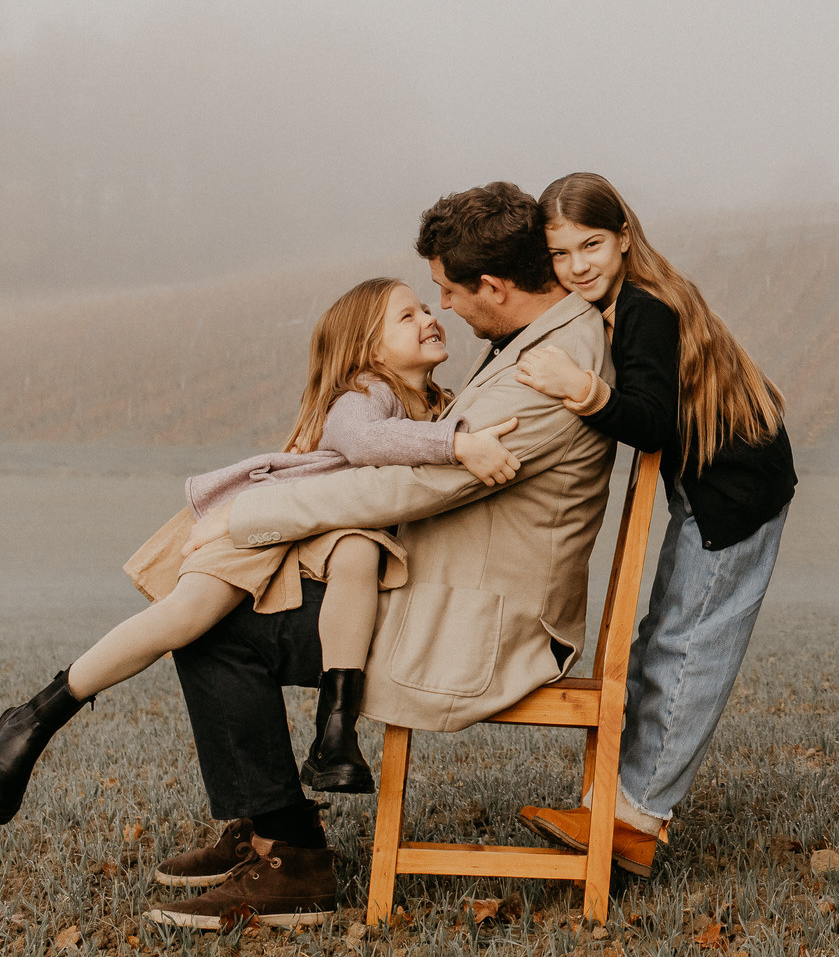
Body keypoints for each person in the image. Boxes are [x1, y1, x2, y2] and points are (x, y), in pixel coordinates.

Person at [140, 182, 620, 931]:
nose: (446, 311)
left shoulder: (546, 368)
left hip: (483, 620)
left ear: (493, 286)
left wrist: (247, 517)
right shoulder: (540, 343)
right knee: (226, 604)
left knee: (219, 632)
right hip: (442, 581)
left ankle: (290, 855)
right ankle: (265, 831)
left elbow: (407, 491)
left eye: (449, 292)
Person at [0, 277, 525, 826]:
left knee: (359, 554)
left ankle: (335, 734)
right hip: (275, 518)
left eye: (428, 307)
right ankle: (35, 718)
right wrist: (457, 445)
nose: (430, 317)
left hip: (337, 527)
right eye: (408, 315)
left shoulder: (440, 404)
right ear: (369, 350)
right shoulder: (364, 392)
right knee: (187, 617)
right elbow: (366, 444)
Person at [505, 172, 797, 879]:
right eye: (561, 254)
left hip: (735, 488)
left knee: (687, 644)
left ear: (624, 238)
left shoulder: (644, 306)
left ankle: (638, 818)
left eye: (592, 245)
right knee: (661, 637)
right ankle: (613, 803)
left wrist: (579, 390)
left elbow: (653, 420)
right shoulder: (623, 301)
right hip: (712, 483)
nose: (578, 266)